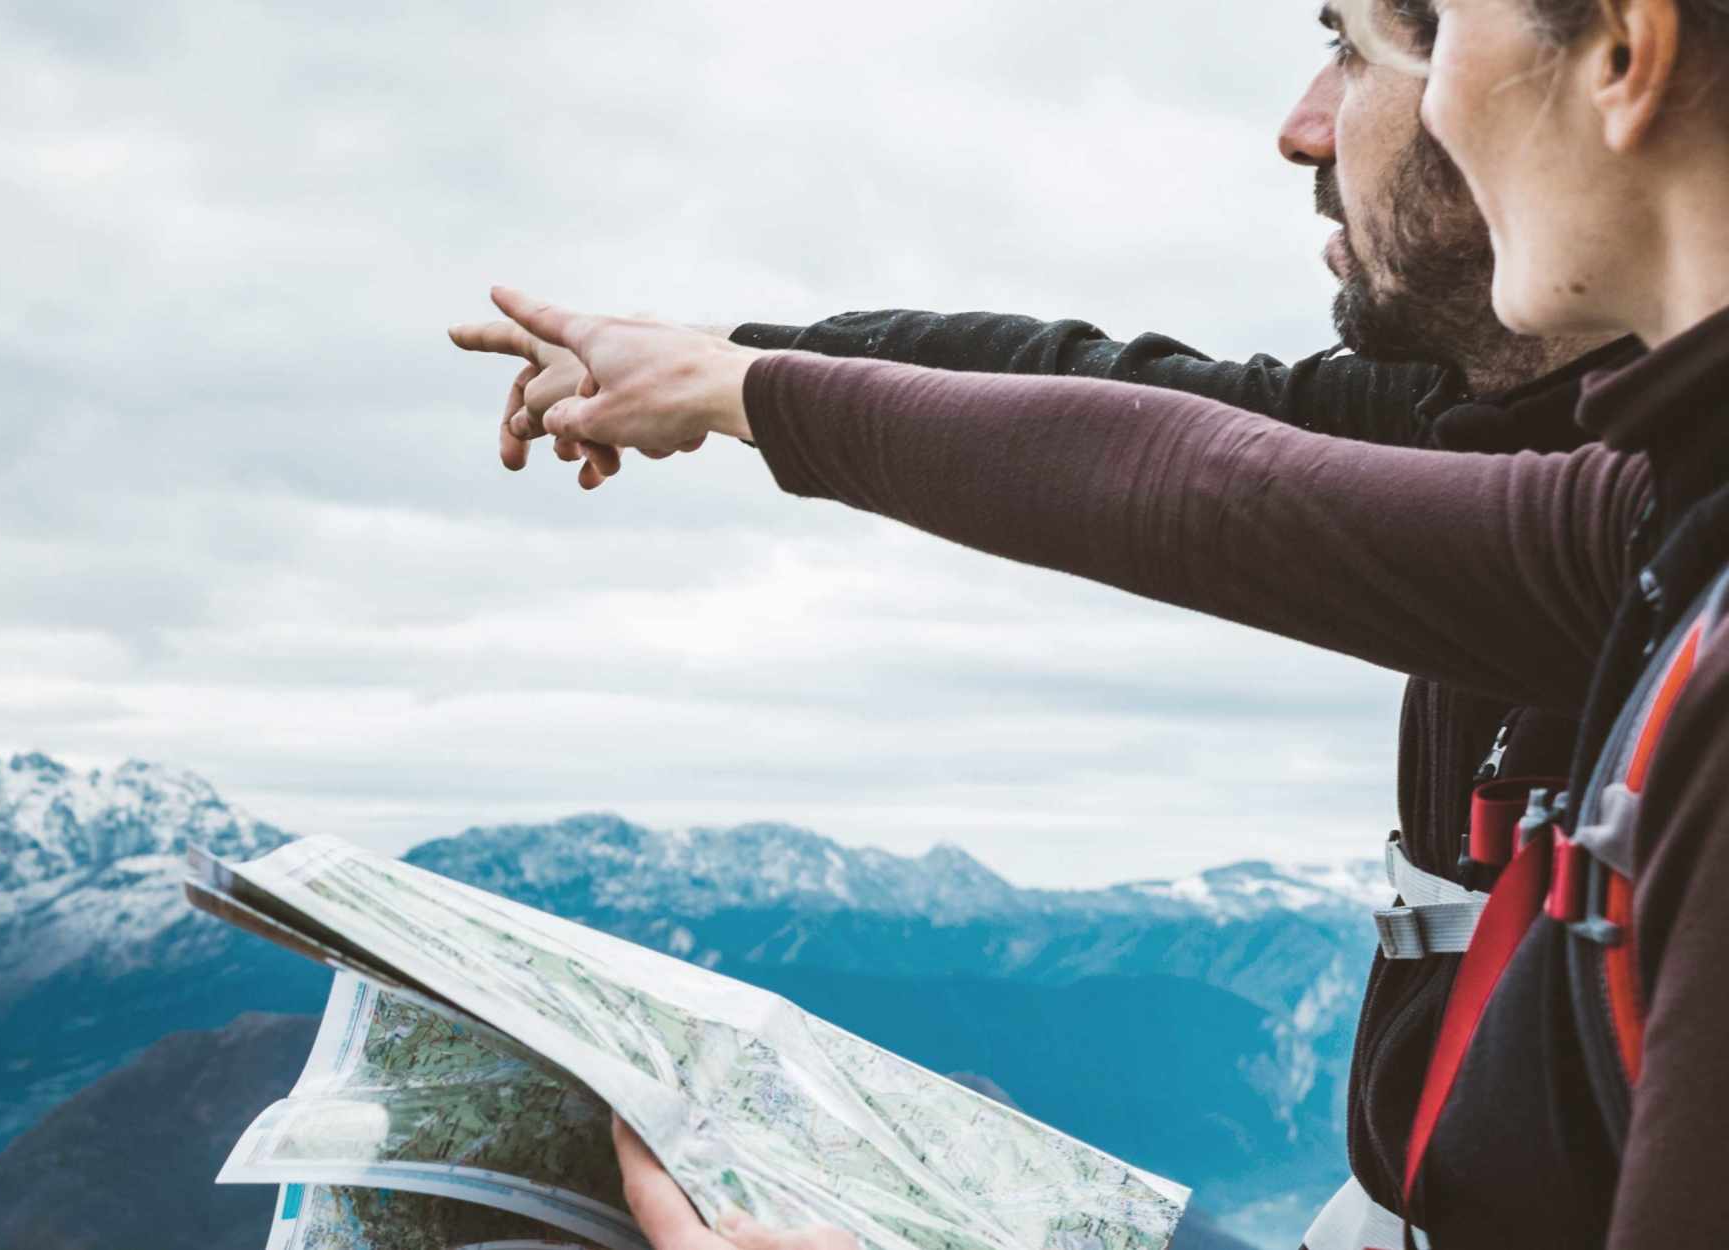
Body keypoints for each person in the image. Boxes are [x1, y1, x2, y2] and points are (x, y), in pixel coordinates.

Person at [459, 0, 1729, 1244]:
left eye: (1391, 36)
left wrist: (740, 383)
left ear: (1624, 51)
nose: (1301, 130)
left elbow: (1203, 484)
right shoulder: (1657, 508)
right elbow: (1170, 458)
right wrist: (724, 369)